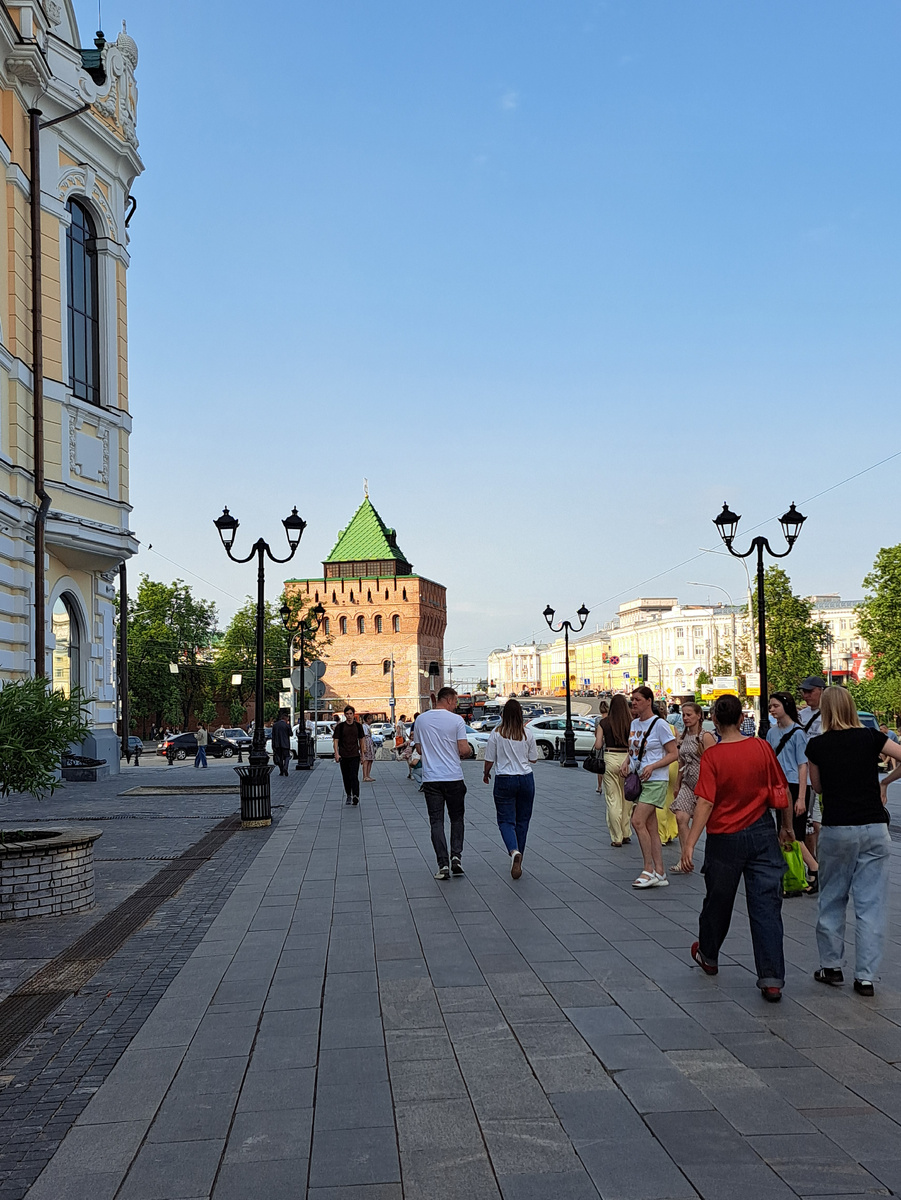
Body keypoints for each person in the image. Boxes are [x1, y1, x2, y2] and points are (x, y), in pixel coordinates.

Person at [680, 693, 794, 1002]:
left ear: (715, 720)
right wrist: (787, 828)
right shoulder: (761, 746)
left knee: (718, 900)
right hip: (761, 833)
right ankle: (771, 979)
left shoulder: (713, 757)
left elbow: (704, 802)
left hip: (724, 837)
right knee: (766, 906)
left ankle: (709, 954)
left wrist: (690, 843)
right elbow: (779, 789)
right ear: (742, 718)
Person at [806, 687, 901, 997]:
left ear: (825, 711)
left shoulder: (817, 745)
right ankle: (865, 977)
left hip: (838, 828)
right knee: (871, 904)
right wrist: (884, 781)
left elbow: (818, 788)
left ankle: (831, 966)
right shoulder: (872, 738)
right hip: (874, 827)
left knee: (832, 897)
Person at [623, 687, 679, 888]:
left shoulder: (660, 724)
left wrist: (653, 766)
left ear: (649, 701)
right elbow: (634, 750)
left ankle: (648, 869)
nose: (634, 703)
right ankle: (660, 871)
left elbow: (673, 753)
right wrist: (626, 762)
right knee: (650, 826)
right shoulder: (634, 723)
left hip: (656, 779)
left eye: (638, 699)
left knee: (637, 821)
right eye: (632, 700)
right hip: (640, 778)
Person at [415, 688, 473, 880]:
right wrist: (467, 753)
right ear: (448, 700)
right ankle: (456, 857)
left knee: (436, 821)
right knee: (457, 819)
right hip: (453, 777)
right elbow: (463, 749)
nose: (456, 705)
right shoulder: (456, 720)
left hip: (431, 778)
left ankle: (443, 865)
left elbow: (419, 749)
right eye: (455, 701)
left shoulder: (421, 720)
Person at [766, 692, 818, 892]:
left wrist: (802, 798)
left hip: (796, 785)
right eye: (770, 706)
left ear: (785, 707)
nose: (772, 710)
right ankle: (794, 875)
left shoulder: (798, 733)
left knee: (793, 833)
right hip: (779, 785)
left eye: (775, 706)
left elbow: (802, 765)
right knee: (784, 832)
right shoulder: (771, 732)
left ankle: (813, 868)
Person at [483, 699, 539, 879]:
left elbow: (489, 759)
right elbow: (534, 759)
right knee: (523, 821)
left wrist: (486, 773)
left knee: (506, 821)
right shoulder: (527, 734)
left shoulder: (496, 733)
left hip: (504, 779)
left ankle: (514, 851)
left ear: (503, 714)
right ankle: (519, 857)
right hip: (526, 779)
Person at [669, 702, 715, 873]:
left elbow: (714, 761)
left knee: (709, 823)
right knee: (681, 817)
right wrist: (677, 783)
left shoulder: (705, 736)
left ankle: (711, 858)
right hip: (688, 783)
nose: (686, 718)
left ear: (698, 716)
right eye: (684, 715)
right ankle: (685, 858)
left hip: (704, 784)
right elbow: (681, 761)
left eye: (689, 715)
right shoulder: (683, 737)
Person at [596, 694, 632, 846]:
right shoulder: (632, 722)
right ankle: (625, 832)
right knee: (627, 799)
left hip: (610, 758)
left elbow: (598, 746)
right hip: (627, 759)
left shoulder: (604, 723)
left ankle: (616, 837)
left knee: (613, 798)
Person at [798, 675, 826, 859]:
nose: (806, 695)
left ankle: (823, 857)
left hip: (824, 773)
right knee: (810, 823)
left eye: (810, 691)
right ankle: (814, 861)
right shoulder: (802, 715)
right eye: (803, 691)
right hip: (805, 774)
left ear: (821, 691)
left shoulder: (830, 713)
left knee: (819, 821)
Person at [333, 705, 364, 805]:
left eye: (350, 714)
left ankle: (356, 795)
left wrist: (362, 754)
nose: (349, 716)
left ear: (353, 714)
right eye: (347, 714)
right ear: (345, 715)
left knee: (354, 776)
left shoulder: (358, 726)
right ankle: (348, 795)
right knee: (346, 776)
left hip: (355, 754)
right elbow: (336, 741)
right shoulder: (340, 727)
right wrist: (336, 754)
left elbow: (361, 740)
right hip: (344, 755)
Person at [271, 710, 291, 777]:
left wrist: (273, 745)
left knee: (279, 758)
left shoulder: (275, 725)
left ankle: (281, 770)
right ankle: (285, 767)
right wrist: (289, 726)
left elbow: (273, 736)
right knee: (287, 757)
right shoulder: (286, 725)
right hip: (285, 744)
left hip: (277, 744)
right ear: (286, 718)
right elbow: (291, 734)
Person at [360, 712, 376, 782]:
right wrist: (364, 747)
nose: (371, 720)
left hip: (369, 742)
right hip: (366, 742)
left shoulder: (368, 726)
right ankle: (365, 776)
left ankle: (368, 775)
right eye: (370, 719)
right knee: (366, 760)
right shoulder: (364, 726)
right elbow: (363, 737)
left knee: (370, 760)